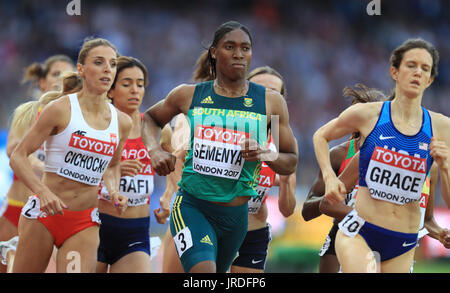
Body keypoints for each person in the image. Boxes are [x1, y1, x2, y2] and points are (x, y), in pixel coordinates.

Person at [141, 20, 298, 273]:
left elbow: (290, 159)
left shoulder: (271, 103)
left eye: (245, 48)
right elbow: (150, 119)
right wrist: (155, 151)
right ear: (214, 52)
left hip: (237, 218)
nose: (238, 54)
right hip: (193, 206)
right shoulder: (189, 95)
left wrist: (265, 153)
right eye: (230, 46)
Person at [313, 38, 450, 273]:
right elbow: (321, 135)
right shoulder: (368, 115)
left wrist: (445, 167)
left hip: (403, 242)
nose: (417, 72)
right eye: (411, 65)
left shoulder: (442, 127)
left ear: (430, 80)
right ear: (394, 72)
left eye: (425, 68)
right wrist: (329, 176)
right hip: (359, 231)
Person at [9, 37, 132, 273]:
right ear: (81, 69)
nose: (108, 69)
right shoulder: (61, 109)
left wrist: (115, 191)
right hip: (43, 216)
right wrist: (43, 192)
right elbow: (18, 155)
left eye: (113, 64)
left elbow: (112, 165)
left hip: (83, 223)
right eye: (99, 62)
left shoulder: (121, 122)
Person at [0, 55, 75, 273]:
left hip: (57, 213)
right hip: (19, 208)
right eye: (55, 74)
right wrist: (40, 165)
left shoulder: (76, 118)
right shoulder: (29, 111)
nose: (61, 80)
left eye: (68, 75)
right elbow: (13, 149)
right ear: (42, 82)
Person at [302, 84, 386, 273]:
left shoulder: (396, 157)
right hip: (343, 231)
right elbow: (307, 210)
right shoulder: (338, 155)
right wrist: (335, 197)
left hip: (382, 236)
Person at [96, 55, 165, 273]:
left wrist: (169, 195)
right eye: (127, 84)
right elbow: (74, 175)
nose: (135, 90)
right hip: (95, 225)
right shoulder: (96, 126)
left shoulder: (154, 129)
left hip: (135, 231)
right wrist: (112, 170)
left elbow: (180, 160)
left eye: (140, 84)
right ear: (111, 91)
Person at [230, 66, 297, 273]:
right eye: (259, 89)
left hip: (253, 232)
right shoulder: (223, 124)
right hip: (216, 227)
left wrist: (285, 181)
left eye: (274, 92)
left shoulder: (283, 141)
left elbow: (287, 210)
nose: (266, 96)